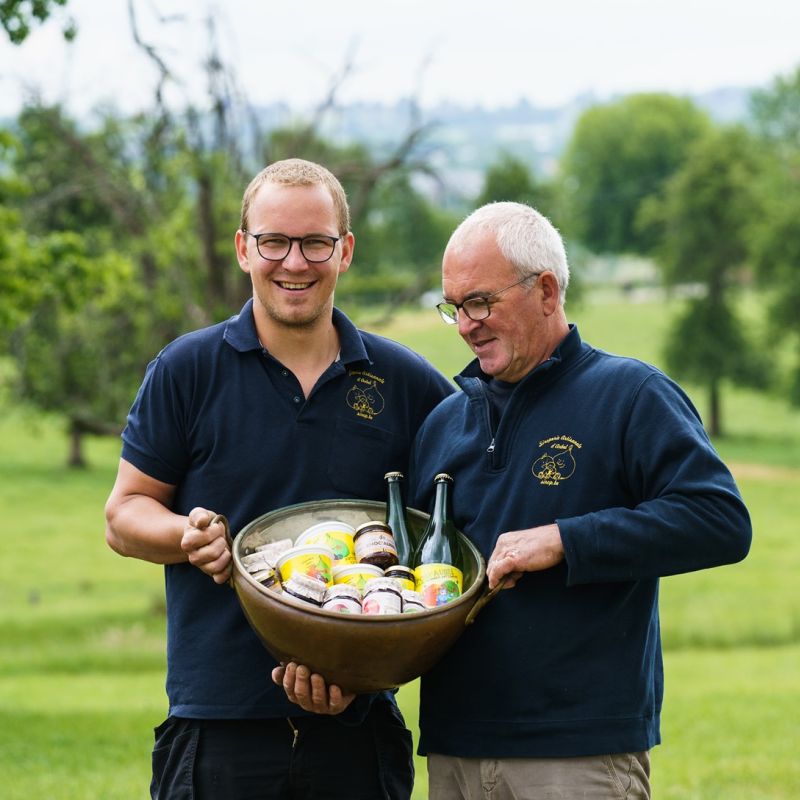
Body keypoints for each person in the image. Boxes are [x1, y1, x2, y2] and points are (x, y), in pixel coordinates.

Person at [104, 158, 454, 800]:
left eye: (316, 242)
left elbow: (460, 521)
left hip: (359, 727)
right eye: (274, 241)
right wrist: (187, 534)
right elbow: (125, 514)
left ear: (345, 250)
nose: (295, 262)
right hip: (218, 724)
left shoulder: (407, 382)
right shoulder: (187, 369)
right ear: (244, 248)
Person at [405, 201, 752, 799]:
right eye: (454, 307)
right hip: (455, 748)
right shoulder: (443, 424)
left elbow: (720, 520)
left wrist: (566, 539)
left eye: (480, 302)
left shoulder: (632, 394)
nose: (465, 324)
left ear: (545, 290)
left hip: (578, 752)